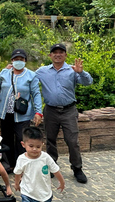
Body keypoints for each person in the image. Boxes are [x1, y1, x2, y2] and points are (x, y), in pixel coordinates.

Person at [35, 43, 93, 184]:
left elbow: (88, 82)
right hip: (50, 110)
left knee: (72, 141)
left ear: (65, 55)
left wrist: (81, 72)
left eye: (61, 52)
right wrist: (11, 69)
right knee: (50, 140)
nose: (58, 54)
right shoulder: (42, 71)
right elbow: (27, 78)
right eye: (55, 52)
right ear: (50, 55)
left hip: (68, 110)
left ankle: (77, 168)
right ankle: (52, 166)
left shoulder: (72, 70)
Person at [0, 49, 42, 171]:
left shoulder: (31, 75)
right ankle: (9, 164)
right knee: (6, 138)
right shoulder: (4, 73)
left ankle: (22, 164)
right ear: (12, 61)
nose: (18, 61)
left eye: (21, 59)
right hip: (6, 112)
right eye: (16, 59)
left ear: (25, 61)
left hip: (22, 114)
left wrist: (38, 112)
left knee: (21, 138)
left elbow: (36, 94)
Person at [14, 127, 65, 202]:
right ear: (23, 144)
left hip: (45, 195)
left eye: (38, 147)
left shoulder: (46, 157)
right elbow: (17, 173)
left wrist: (62, 182)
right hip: (27, 194)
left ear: (42, 144)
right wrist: (17, 184)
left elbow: (55, 170)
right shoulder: (21, 159)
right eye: (31, 146)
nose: (34, 149)